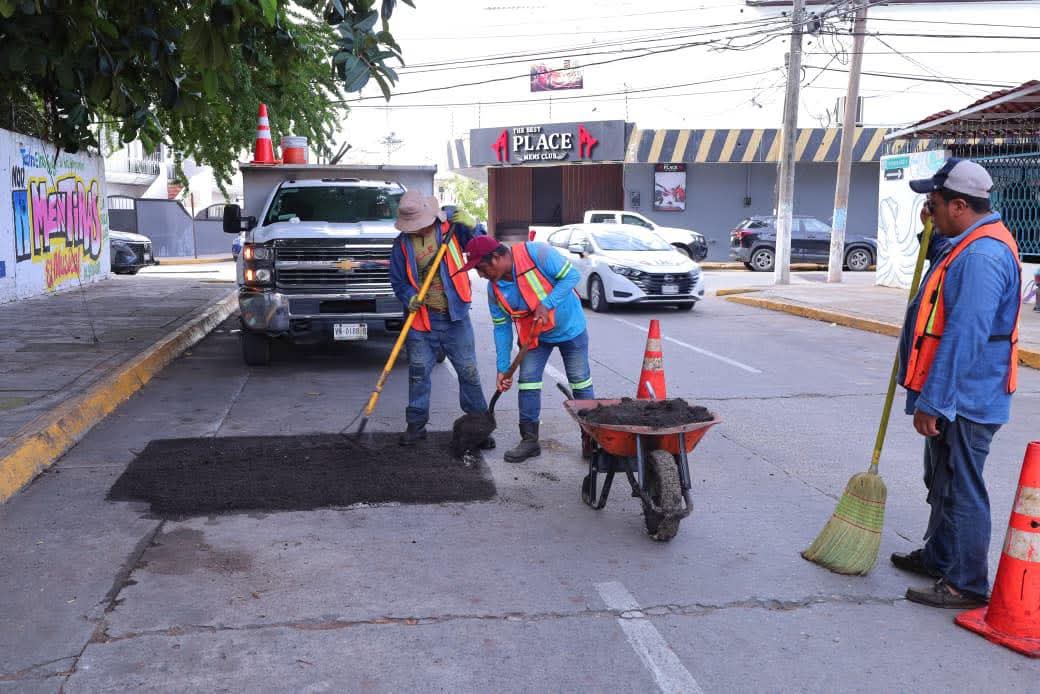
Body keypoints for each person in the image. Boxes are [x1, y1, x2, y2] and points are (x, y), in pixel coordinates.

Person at [892, 158, 1022, 609]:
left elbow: (965, 334)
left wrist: (935, 401)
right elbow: (943, 281)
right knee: (941, 479)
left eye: (934, 202)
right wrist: (930, 233)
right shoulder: (965, 243)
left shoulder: (984, 256)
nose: (930, 209)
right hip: (957, 393)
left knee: (963, 486)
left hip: (967, 397)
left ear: (960, 205)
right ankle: (939, 556)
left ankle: (966, 582)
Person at [456, 236, 594, 462]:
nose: (480, 274)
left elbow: (572, 276)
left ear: (498, 257)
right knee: (528, 382)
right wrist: (503, 369)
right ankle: (529, 440)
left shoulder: (538, 253)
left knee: (580, 382)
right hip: (534, 337)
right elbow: (501, 329)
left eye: (481, 268)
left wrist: (546, 304)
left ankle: (591, 441)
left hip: (571, 329)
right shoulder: (495, 290)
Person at [388, 191, 494, 450]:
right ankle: (416, 426)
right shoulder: (402, 245)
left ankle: (478, 428)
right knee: (418, 374)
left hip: (455, 317)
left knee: (468, 373)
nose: (420, 230)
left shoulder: (453, 229)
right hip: (421, 321)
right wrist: (409, 296)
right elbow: (398, 281)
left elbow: (485, 249)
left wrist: (474, 226)